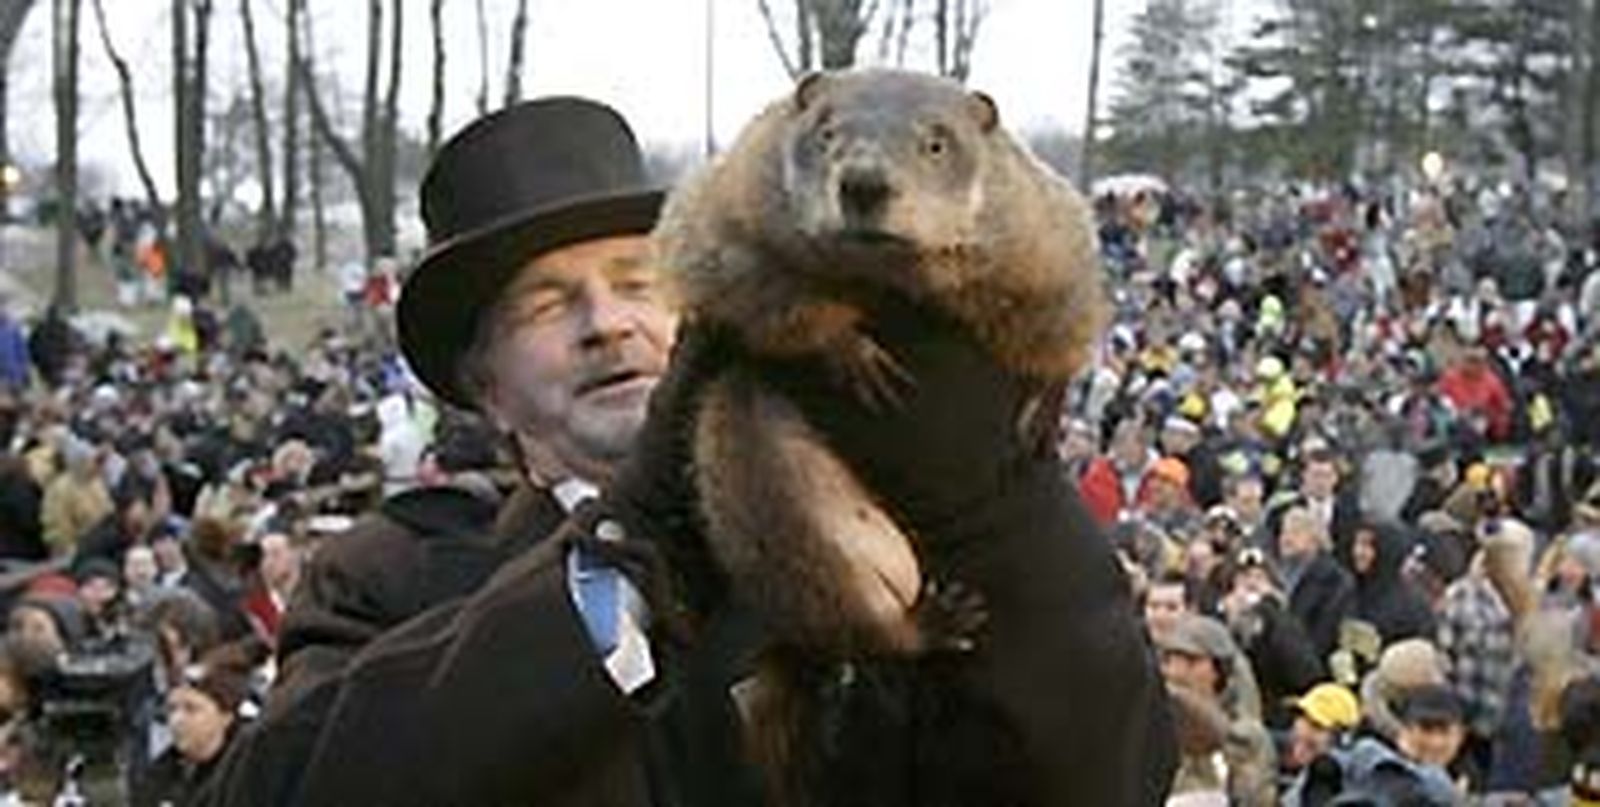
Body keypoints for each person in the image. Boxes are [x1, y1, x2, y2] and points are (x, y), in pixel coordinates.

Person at [198, 97, 1175, 805]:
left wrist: (1000, 513)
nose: (605, 324)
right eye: (546, 303)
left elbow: (1106, 774)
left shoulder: (876, 517)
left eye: (637, 281)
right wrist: (633, 549)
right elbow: (283, 788)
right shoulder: (389, 574)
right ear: (485, 385)